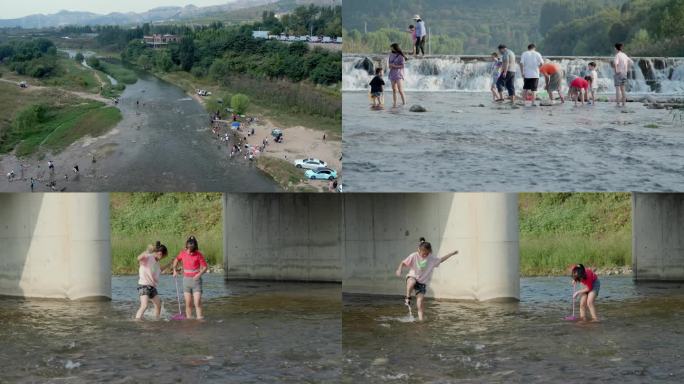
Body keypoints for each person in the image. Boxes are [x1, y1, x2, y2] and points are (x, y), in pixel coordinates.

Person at [395, 238, 459, 321]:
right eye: (423, 253)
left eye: (427, 253)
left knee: (420, 303)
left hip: (422, 283)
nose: (425, 255)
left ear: (429, 252)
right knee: (412, 282)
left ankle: (421, 321)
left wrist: (451, 254)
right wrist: (399, 269)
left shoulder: (431, 258)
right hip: (412, 277)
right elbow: (403, 262)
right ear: (419, 250)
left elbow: (441, 259)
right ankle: (408, 297)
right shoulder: (414, 255)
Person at [172, 236, 208, 320]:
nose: (190, 252)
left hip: (196, 281)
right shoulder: (183, 253)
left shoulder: (198, 254)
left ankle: (199, 319)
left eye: (192, 248)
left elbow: (205, 267)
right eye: (189, 248)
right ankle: (189, 319)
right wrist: (174, 270)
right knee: (188, 303)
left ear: (195, 247)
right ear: (187, 246)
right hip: (186, 281)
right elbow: (176, 260)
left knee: (197, 302)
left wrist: (199, 274)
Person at [135, 242, 168, 320]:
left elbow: (160, 270)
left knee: (158, 305)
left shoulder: (157, 262)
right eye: (161, 255)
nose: (162, 257)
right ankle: (137, 321)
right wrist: (147, 251)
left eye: (163, 255)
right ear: (158, 253)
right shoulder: (149, 257)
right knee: (144, 306)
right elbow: (138, 258)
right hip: (144, 286)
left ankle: (156, 320)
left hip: (152, 286)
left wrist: (170, 263)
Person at [613, 43, 633, 107]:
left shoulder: (617, 55)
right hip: (624, 73)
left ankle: (618, 103)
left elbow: (616, 64)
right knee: (623, 89)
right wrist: (628, 69)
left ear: (616, 48)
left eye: (614, 48)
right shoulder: (624, 55)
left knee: (617, 89)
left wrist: (616, 71)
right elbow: (631, 62)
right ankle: (624, 103)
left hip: (619, 73)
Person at [388, 43, 408, 108]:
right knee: (394, 89)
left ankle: (404, 103)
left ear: (395, 48)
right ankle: (394, 103)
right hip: (392, 73)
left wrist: (395, 66)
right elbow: (389, 64)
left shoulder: (401, 56)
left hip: (399, 74)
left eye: (391, 47)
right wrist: (390, 66)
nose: (391, 49)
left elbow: (403, 66)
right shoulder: (391, 55)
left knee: (400, 89)